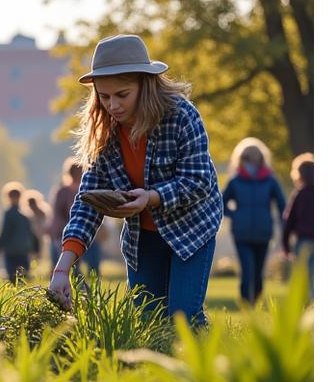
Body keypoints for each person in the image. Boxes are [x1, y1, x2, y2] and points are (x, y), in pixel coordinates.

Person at [48, 34, 223, 327]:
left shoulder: (182, 116)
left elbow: (199, 181)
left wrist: (152, 197)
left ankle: (199, 366)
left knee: (183, 317)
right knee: (147, 320)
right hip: (143, 237)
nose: (112, 105)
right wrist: (62, 268)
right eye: (104, 97)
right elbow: (87, 201)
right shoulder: (105, 132)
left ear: (145, 84)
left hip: (192, 228)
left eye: (122, 95)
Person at [222, 137, 286, 304]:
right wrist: (235, 215)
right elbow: (220, 203)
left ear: (261, 158)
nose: (250, 160)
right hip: (241, 233)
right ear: (241, 159)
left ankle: (255, 302)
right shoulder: (235, 181)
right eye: (247, 157)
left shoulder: (270, 180)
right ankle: (246, 304)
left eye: (254, 157)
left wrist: (283, 223)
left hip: (264, 232)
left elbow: (282, 204)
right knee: (247, 270)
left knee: (258, 273)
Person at [48, 158, 103, 277]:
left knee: (93, 266)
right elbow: (57, 215)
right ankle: (76, 290)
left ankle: (93, 290)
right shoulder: (62, 192)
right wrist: (60, 232)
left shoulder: (90, 189)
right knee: (73, 268)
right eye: (77, 171)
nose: (80, 174)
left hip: (89, 234)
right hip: (68, 234)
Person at [282, 152, 314, 298]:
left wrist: (286, 246)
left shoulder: (300, 194)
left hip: (304, 242)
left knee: (303, 279)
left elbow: (289, 221)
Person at [0, 182, 38, 283]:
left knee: (12, 276)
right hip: (24, 250)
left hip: (11, 251)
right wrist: (35, 248)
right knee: (23, 276)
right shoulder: (26, 214)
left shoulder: (8, 213)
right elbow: (31, 233)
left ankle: (15, 295)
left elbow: (5, 232)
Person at [24, 189, 50, 270]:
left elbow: (45, 225)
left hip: (40, 237)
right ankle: (33, 270)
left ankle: (38, 270)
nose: (31, 205)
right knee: (32, 256)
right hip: (31, 238)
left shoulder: (42, 213)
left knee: (40, 255)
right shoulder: (27, 215)